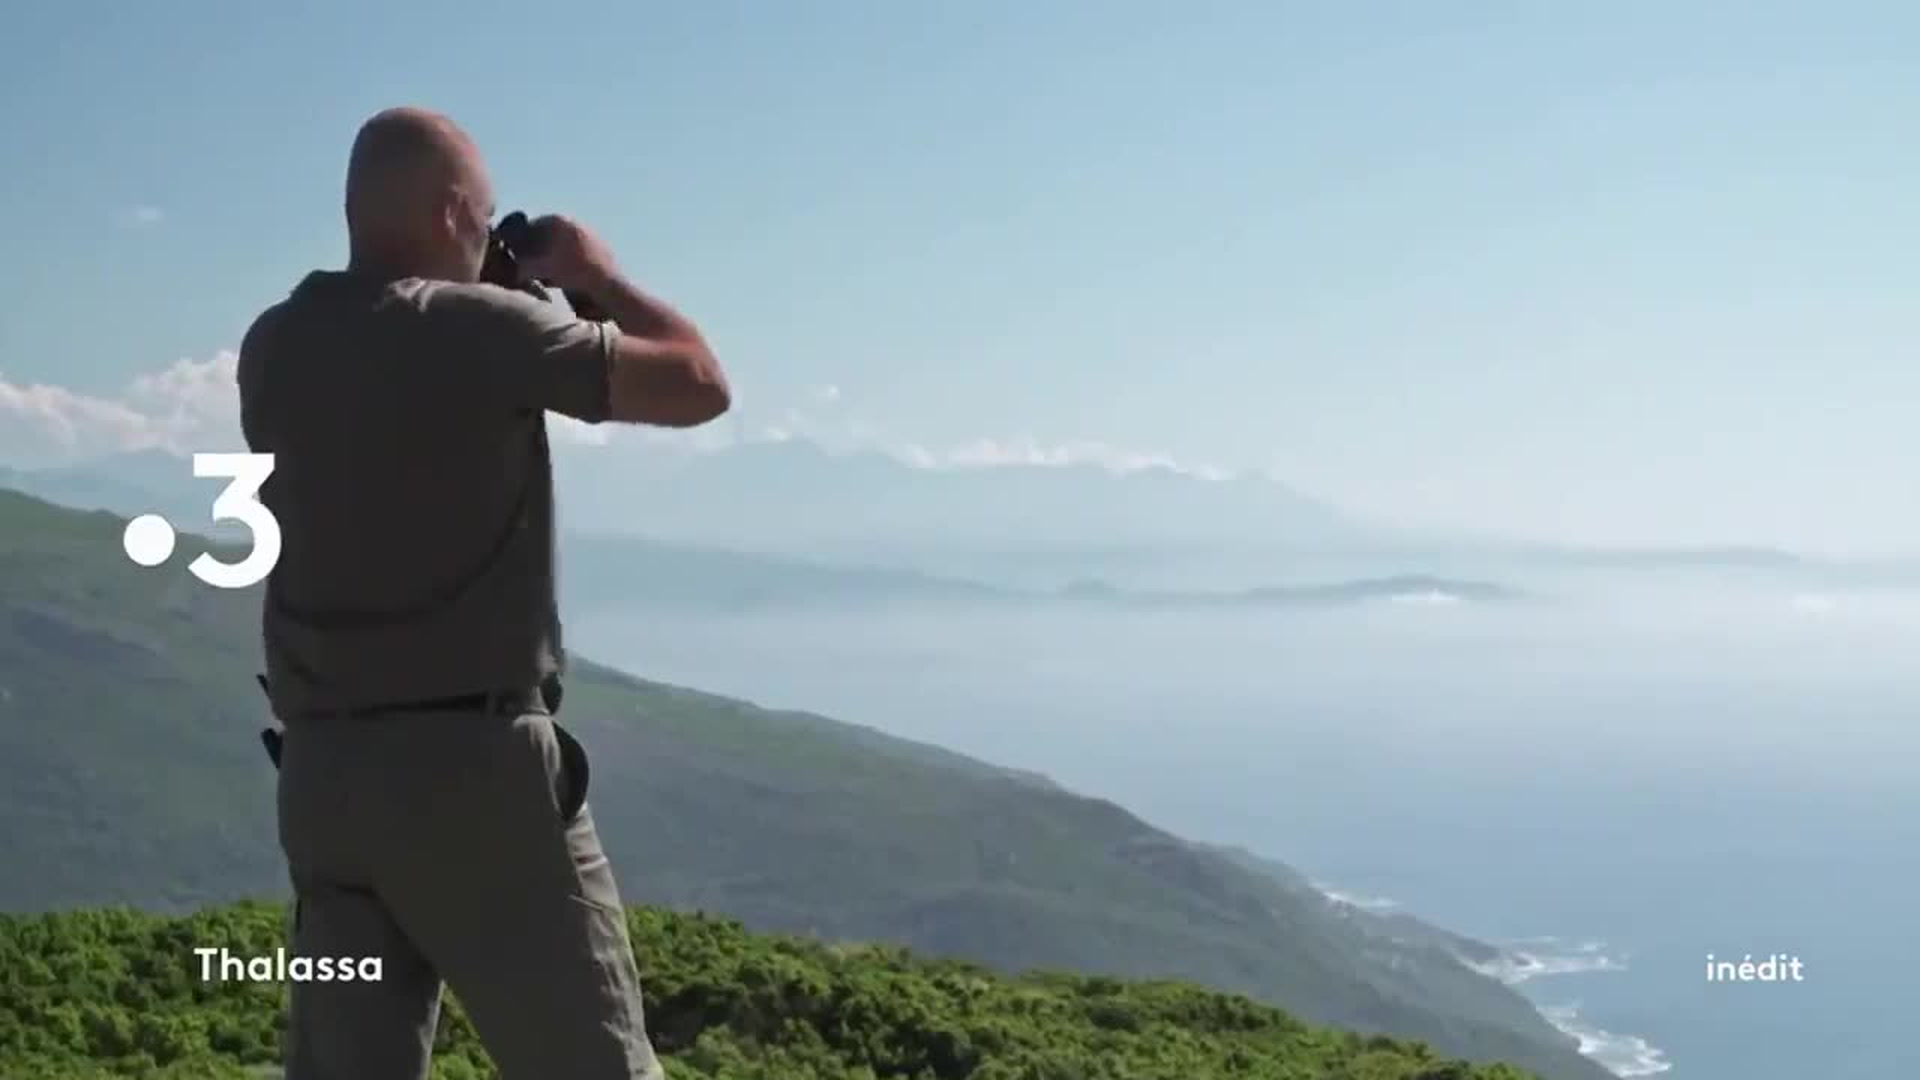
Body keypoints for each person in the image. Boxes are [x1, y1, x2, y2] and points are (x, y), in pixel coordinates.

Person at [236, 105, 729, 1079]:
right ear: (460, 210)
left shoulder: (274, 348)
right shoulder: (481, 331)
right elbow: (699, 383)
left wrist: (500, 305)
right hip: (476, 777)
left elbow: (396, 401)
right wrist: (592, 278)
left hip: (325, 777)